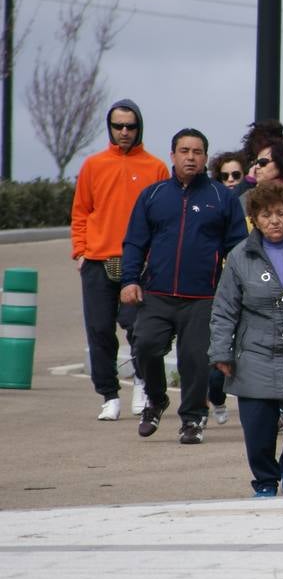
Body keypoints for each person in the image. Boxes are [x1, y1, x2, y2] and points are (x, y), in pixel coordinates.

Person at [121, 128, 247, 444]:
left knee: (195, 360)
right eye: (184, 150)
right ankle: (156, 398)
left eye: (197, 151)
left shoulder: (223, 197)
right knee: (145, 345)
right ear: (173, 155)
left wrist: (234, 289)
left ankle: (192, 419)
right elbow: (135, 242)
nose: (190, 157)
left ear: (205, 157)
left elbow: (238, 248)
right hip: (157, 293)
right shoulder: (153, 195)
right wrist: (130, 280)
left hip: (203, 297)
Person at [209, 181, 283, 497]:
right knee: (258, 425)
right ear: (254, 219)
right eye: (265, 215)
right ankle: (264, 479)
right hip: (257, 352)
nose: (274, 220)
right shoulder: (239, 257)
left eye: (280, 213)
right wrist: (221, 351)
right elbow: (224, 309)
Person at [71, 100, 168, 422]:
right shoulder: (93, 165)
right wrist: (81, 250)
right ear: (110, 128)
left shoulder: (155, 168)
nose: (124, 132)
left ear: (139, 127)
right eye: (118, 126)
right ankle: (109, 395)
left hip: (138, 264)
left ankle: (142, 383)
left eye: (130, 126)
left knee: (137, 328)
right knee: (99, 329)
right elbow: (81, 210)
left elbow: (163, 218)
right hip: (98, 260)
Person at [206, 149, 249, 424]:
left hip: (246, 286)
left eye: (237, 174)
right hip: (212, 286)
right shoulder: (212, 204)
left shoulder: (254, 203)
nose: (231, 180)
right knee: (214, 354)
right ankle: (216, 398)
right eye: (225, 176)